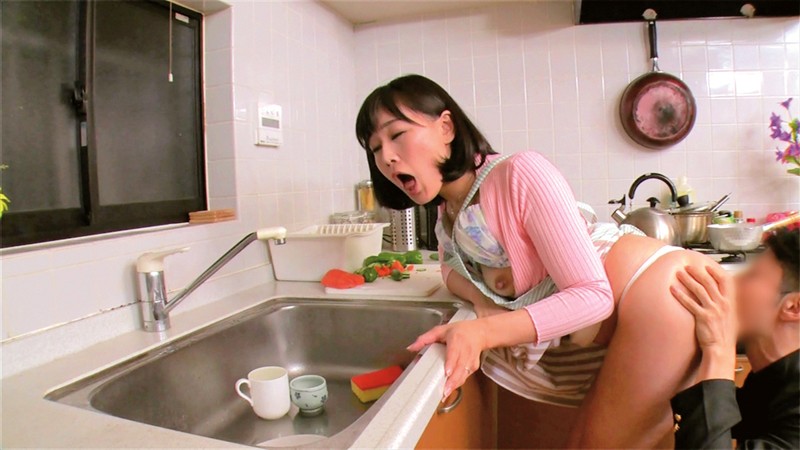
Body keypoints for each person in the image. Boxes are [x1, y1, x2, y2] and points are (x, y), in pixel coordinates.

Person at [356, 74, 721, 447]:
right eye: (375, 148)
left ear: (446, 127)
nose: (386, 157)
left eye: (397, 134)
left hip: (660, 293)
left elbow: (594, 295)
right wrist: (483, 304)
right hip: (629, 314)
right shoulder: (449, 211)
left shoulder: (519, 172)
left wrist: (484, 331)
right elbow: (450, 269)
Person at [670, 228, 800, 449]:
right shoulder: (772, 378)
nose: (731, 281)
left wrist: (718, 351)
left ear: (794, 307)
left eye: (752, 275)